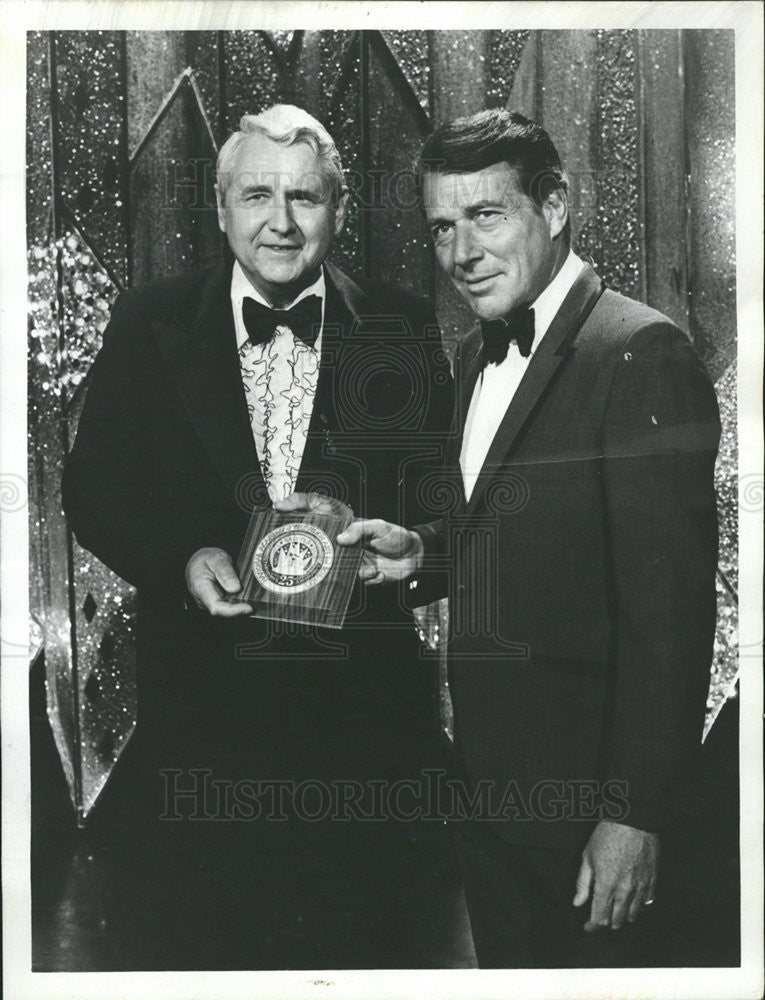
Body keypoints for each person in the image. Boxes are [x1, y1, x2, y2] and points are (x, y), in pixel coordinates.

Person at [309, 108, 721, 967]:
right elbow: (526, 533)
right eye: (441, 226)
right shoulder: (471, 357)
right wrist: (425, 550)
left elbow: (669, 619)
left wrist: (632, 814)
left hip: (587, 814)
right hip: (489, 800)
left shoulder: (640, 351)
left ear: (555, 205)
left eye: (487, 216)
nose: (461, 251)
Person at [62, 104, 452, 789]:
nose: (280, 221)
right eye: (256, 196)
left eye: (303, 196)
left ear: (339, 207)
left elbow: (451, 510)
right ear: (220, 209)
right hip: (198, 721)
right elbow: (92, 488)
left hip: (367, 726)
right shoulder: (148, 321)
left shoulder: (405, 326)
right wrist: (181, 559)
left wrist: (397, 547)